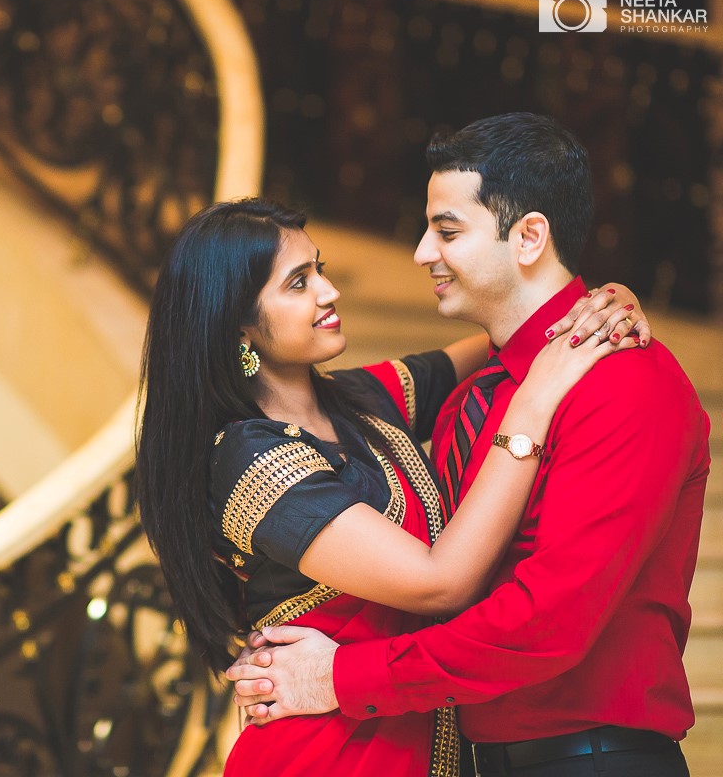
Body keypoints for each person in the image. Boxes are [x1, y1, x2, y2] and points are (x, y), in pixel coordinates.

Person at [228, 113, 711, 777]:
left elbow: (548, 623)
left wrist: (341, 676)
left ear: (529, 237)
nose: (423, 253)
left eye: (447, 231)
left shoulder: (625, 381)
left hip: (595, 757)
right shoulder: (466, 396)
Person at [135, 195, 645, 775]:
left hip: (408, 741)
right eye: (298, 284)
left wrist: (598, 303)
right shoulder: (252, 460)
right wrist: (530, 409)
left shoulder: (357, 397)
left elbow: (513, 333)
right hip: (326, 752)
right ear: (239, 326)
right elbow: (438, 583)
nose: (329, 292)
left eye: (319, 268)